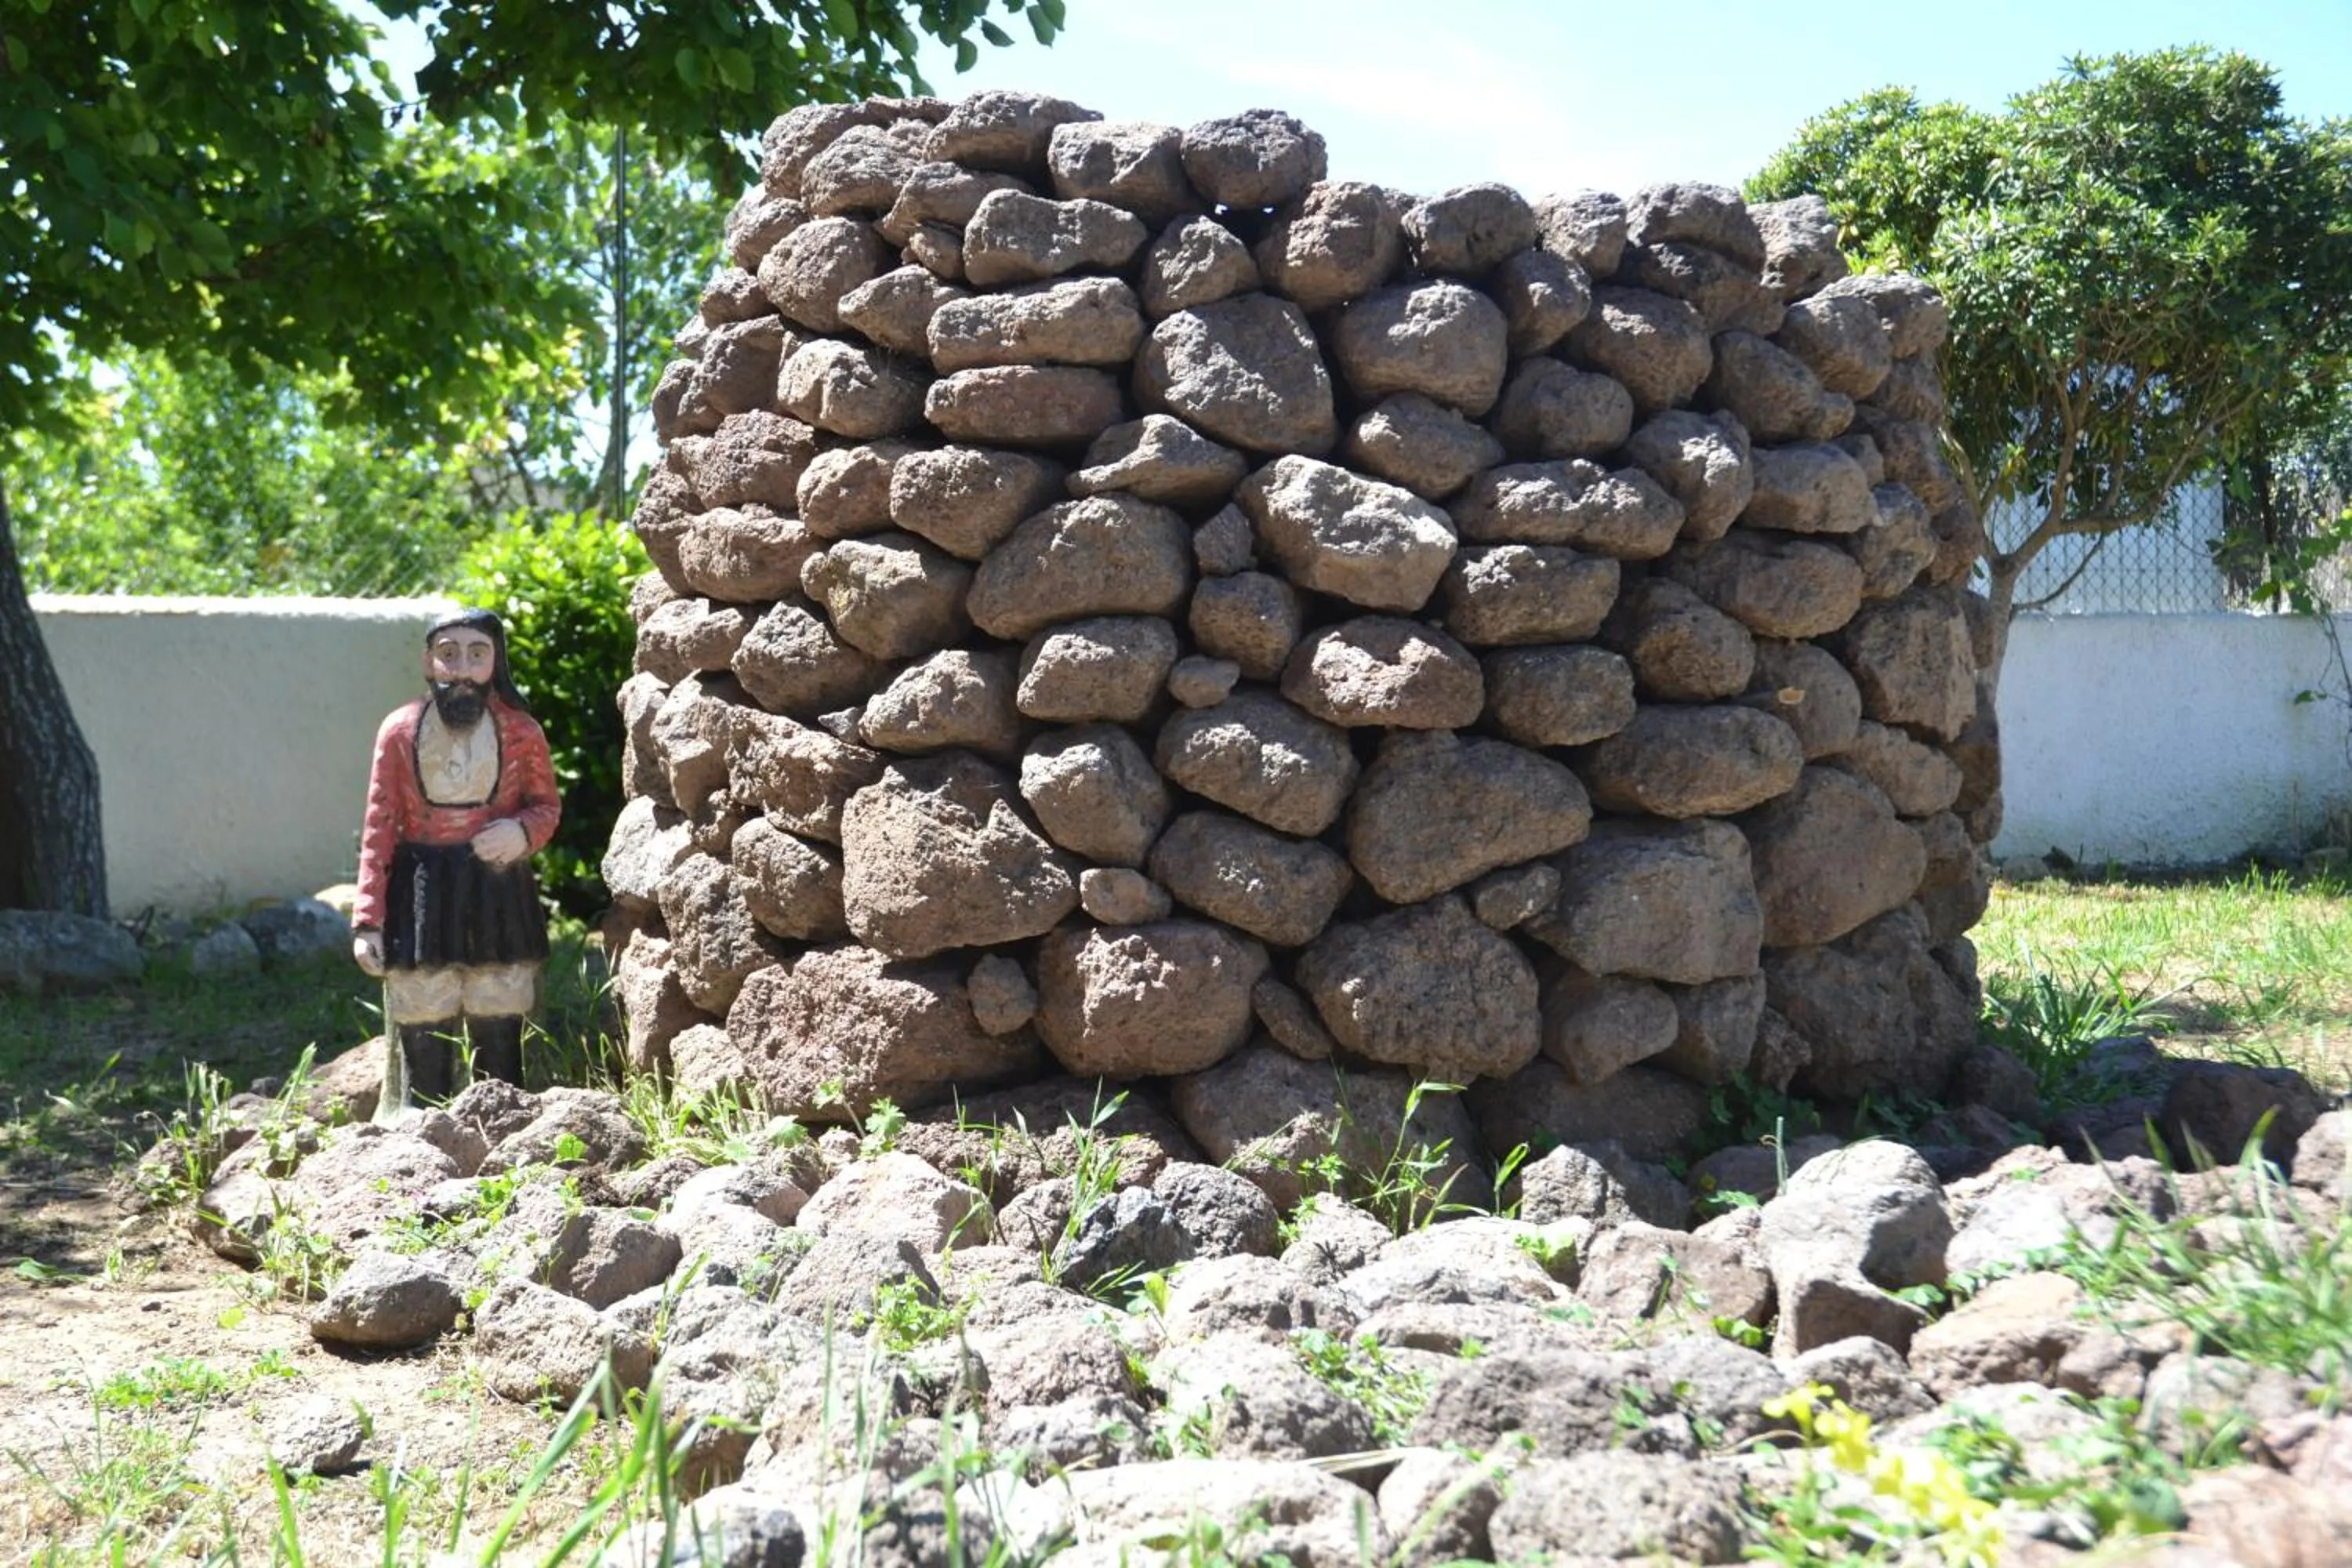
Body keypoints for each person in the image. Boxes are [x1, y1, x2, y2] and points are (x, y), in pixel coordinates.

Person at [351, 608, 560, 1114]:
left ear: (496, 662)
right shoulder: (400, 731)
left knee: (499, 997)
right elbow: (379, 824)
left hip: (496, 888)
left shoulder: (520, 732)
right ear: (429, 662)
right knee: (424, 1002)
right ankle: (423, 1116)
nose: (462, 667)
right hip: (422, 888)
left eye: (476, 654)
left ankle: (501, 1113)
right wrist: (367, 920)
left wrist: (522, 832)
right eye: (449, 654)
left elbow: (547, 805)